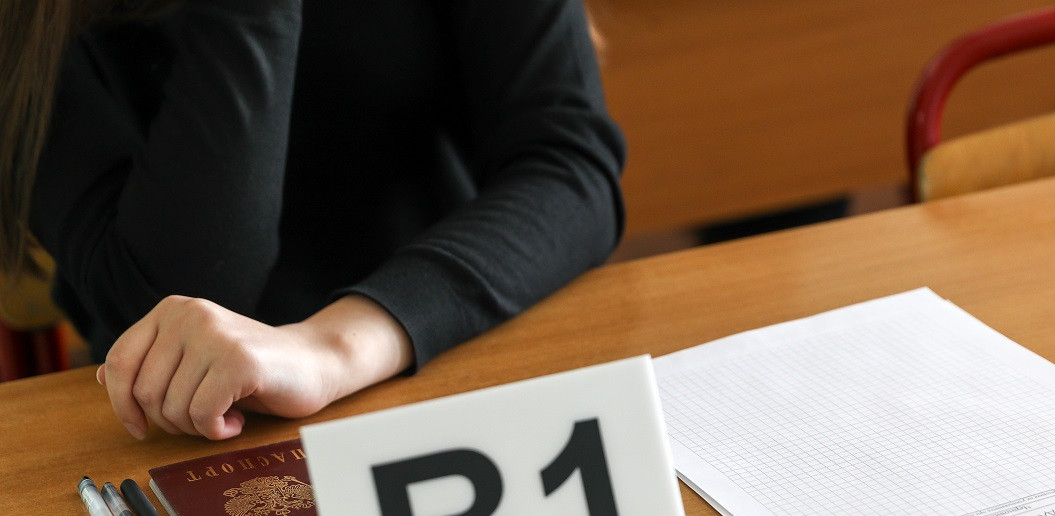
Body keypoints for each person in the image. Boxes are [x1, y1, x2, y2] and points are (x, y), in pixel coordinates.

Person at [1, 0, 625, 440]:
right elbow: (181, 310)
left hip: (451, 345)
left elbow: (567, 167)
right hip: (189, 433)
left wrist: (331, 348)